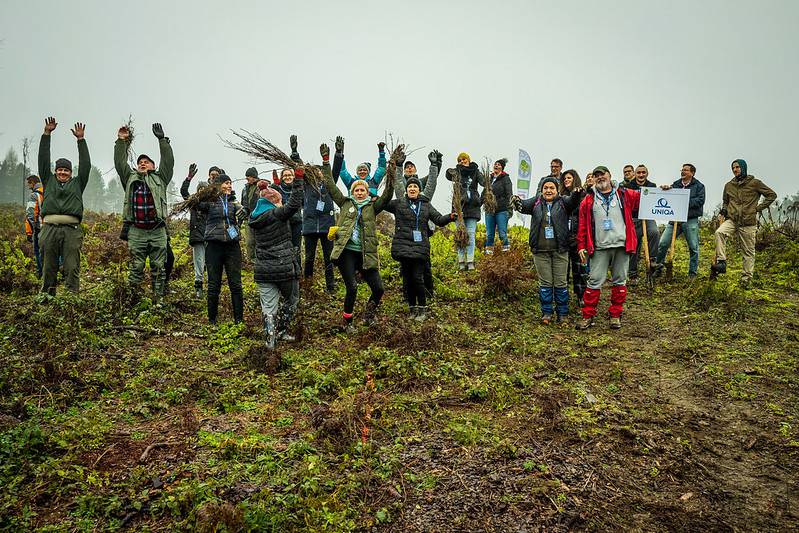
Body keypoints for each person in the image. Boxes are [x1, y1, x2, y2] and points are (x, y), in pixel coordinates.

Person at [322, 143, 394, 332]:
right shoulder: (345, 203)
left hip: (366, 253)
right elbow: (330, 185)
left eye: (362, 190)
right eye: (357, 190)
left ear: (367, 191)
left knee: (378, 289)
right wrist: (326, 161)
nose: (360, 192)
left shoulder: (373, 206)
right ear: (352, 192)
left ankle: (368, 316)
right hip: (347, 252)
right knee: (352, 287)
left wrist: (392, 172)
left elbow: (386, 196)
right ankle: (348, 322)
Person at [384, 164, 456, 320]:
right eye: (410, 187)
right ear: (406, 189)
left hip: (420, 247)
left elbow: (438, 219)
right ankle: (412, 309)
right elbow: (383, 202)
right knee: (408, 279)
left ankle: (422, 309)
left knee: (418, 278)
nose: (412, 189)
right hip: (403, 246)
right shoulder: (398, 203)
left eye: (415, 187)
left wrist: (450, 217)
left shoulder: (425, 204)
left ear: (419, 190)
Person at [575, 166, 641, 330]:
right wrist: (581, 246)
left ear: (610, 175)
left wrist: (663, 191)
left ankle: (615, 315)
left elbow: (646, 198)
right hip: (599, 247)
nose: (600, 178)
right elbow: (582, 225)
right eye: (596, 176)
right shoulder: (588, 200)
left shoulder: (624, 194)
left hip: (621, 245)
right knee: (594, 281)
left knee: (620, 281)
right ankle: (587, 316)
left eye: (602, 174)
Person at [115, 123, 174, 303]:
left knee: (159, 266)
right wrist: (121, 141)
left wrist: (162, 140)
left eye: (146, 161)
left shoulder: (161, 178)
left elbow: (168, 162)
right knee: (136, 266)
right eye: (140, 162)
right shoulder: (130, 177)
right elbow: (119, 163)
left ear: (153, 166)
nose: (142, 163)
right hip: (136, 231)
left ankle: (158, 300)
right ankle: (134, 299)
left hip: (157, 230)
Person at [513, 177, 582, 324]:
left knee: (561, 283)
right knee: (545, 283)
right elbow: (523, 206)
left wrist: (576, 193)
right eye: (546, 188)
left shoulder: (563, 202)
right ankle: (547, 313)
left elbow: (573, 202)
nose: (548, 190)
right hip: (540, 251)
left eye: (552, 188)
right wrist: (516, 201)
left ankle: (562, 314)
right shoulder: (536, 201)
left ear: (557, 190)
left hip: (560, 250)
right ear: (542, 190)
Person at [249, 171, 305, 349]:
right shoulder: (276, 214)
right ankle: (281, 330)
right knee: (292, 299)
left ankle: (270, 341)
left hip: (263, 270)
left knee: (268, 307)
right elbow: (295, 204)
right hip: (283, 268)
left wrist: (263, 188)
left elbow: (257, 201)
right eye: (280, 200)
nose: (282, 203)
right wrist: (298, 180)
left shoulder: (256, 217)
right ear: (274, 202)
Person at [37, 117, 91, 295]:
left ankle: (70, 299)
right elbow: (43, 160)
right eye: (60, 169)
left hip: (71, 230)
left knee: (71, 266)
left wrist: (81, 140)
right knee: (48, 266)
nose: (62, 172)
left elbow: (86, 166)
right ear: (55, 171)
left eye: (66, 170)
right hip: (49, 229)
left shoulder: (78, 183)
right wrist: (46, 134)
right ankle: (46, 297)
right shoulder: (48, 180)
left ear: (71, 172)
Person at [711, 159, 777, 286]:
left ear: (743, 167)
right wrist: (724, 208)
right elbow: (725, 200)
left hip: (748, 222)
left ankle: (746, 280)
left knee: (748, 252)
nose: (735, 170)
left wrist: (757, 208)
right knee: (719, 233)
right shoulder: (729, 185)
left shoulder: (755, 183)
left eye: (737, 167)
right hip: (732, 220)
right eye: (733, 168)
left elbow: (772, 195)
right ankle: (722, 262)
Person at [394, 148, 443, 299]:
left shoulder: (420, 185)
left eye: (411, 166)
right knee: (406, 267)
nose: (409, 168)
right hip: (404, 233)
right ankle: (407, 295)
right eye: (406, 166)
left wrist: (436, 163)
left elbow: (431, 182)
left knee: (424, 265)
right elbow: (396, 182)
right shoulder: (402, 189)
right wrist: (397, 166)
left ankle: (428, 292)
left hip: (422, 230)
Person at [197, 174, 246, 324]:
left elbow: (248, 208)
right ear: (218, 185)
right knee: (213, 285)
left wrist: (247, 210)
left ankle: (239, 320)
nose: (230, 186)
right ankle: (212, 320)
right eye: (226, 183)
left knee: (236, 284)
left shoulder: (234, 203)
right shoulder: (209, 203)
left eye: (231, 183)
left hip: (232, 246)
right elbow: (192, 201)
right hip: (213, 246)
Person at [654, 164, 706, 280]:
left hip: (690, 220)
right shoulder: (676, 184)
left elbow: (700, 201)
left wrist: (683, 200)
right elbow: (669, 198)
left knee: (693, 247)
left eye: (686, 170)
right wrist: (665, 190)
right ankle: (658, 267)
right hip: (674, 220)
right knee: (663, 243)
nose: (682, 171)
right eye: (682, 170)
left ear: (692, 173)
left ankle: (692, 274)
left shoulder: (699, 186)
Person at [302, 140, 339, 293]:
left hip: (327, 227)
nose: (318, 173)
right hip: (310, 228)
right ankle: (307, 284)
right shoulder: (306, 185)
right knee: (309, 257)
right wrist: (295, 153)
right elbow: (297, 168)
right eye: (315, 171)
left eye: (320, 171)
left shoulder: (329, 184)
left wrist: (337, 155)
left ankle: (331, 286)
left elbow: (335, 170)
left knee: (328, 258)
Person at [181, 165, 219, 298]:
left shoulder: (211, 203)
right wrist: (188, 178)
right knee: (198, 263)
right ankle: (198, 288)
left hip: (210, 236)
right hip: (198, 237)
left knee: (211, 263)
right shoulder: (193, 202)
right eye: (200, 189)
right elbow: (184, 192)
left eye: (204, 189)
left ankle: (212, 288)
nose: (202, 191)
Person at [446, 152, 483, 271]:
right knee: (460, 235)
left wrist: (479, 199)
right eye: (460, 160)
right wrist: (454, 169)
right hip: (459, 207)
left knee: (471, 235)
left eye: (464, 159)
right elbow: (447, 175)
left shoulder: (476, 171)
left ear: (469, 159)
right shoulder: (457, 172)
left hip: (473, 207)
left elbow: (484, 183)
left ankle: (470, 261)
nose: (463, 161)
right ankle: (461, 262)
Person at [624, 165, 660, 285]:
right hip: (634, 218)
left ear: (647, 173)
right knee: (635, 245)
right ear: (635, 173)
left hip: (648, 216)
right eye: (638, 172)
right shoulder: (628, 186)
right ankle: (632, 274)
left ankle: (653, 260)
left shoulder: (652, 186)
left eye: (643, 172)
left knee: (654, 232)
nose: (641, 175)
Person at [559, 170, 589, 305]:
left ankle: (581, 296)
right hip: (564, 238)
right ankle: (563, 297)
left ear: (575, 178)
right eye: (564, 178)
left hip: (578, 237)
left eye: (569, 178)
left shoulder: (583, 194)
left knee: (580, 269)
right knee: (563, 269)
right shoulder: (560, 196)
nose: (566, 180)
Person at [483, 158, 513, 254]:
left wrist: (510, 209)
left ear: (502, 168)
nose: (496, 165)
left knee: (502, 233)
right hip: (489, 210)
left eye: (499, 165)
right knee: (489, 234)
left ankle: (506, 252)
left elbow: (509, 194)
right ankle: (489, 253)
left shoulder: (505, 179)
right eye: (495, 164)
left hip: (502, 209)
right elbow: (484, 192)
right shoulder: (489, 179)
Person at [25, 175, 44, 278]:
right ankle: (58, 270)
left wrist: (29, 232)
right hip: (52, 227)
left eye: (28, 184)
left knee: (38, 250)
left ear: (32, 182)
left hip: (39, 228)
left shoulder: (34, 195)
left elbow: (30, 215)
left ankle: (41, 272)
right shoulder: (48, 191)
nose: (28, 186)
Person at [241, 166, 260, 262]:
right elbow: (242, 204)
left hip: (259, 218)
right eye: (246, 176)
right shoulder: (244, 189)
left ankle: (260, 260)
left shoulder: (260, 187)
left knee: (259, 241)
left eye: (248, 176)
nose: (247, 178)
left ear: (254, 177)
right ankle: (251, 261)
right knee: (249, 242)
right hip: (248, 218)